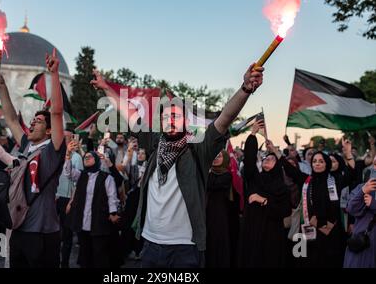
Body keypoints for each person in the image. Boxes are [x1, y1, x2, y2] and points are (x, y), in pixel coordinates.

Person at [91, 62, 264, 268]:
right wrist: (106, 88)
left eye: (176, 116)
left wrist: (245, 89)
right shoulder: (155, 144)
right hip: (150, 244)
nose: (170, 120)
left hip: (185, 248)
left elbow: (224, 118)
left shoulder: (199, 149)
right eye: (165, 117)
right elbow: (130, 114)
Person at [0, 48, 66, 268]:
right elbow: (13, 120)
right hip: (19, 230)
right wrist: (2, 87)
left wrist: (54, 75)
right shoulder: (25, 145)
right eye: (33, 120)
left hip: (43, 234)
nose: (32, 123)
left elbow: (57, 113)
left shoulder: (52, 150)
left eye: (39, 121)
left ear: (51, 131)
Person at [238, 120, 291, 268]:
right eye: (266, 158)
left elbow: (285, 211)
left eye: (272, 158)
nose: (268, 159)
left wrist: (264, 201)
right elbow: (249, 160)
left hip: (272, 236)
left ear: (278, 166)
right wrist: (253, 135)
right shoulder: (256, 179)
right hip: (253, 231)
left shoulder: (282, 187)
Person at [64, 148, 120, 268]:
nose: (86, 158)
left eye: (90, 157)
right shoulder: (80, 175)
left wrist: (113, 212)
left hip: (98, 220)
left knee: (99, 252)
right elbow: (68, 173)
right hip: (83, 220)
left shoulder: (106, 177)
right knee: (85, 251)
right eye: (85, 157)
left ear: (97, 160)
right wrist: (68, 157)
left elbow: (112, 197)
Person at [206, 149, 241, 268]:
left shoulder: (226, 175)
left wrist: (207, 172)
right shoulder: (209, 173)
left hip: (221, 217)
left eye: (219, 156)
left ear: (225, 159)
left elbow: (212, 184)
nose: (216, 157)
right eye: (214, 155)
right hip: (207, 216)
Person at [56, 131, 83, 268]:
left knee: (67, 235)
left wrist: (72, 201)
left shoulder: (77, 157)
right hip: (56, 198)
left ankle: (64, 263)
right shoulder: (56, 154)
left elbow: (78, 182)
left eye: (66, 137)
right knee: (54, 234)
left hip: (68, 199)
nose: (63, 139)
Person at [344, 169, 376, 268]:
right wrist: (363, 191)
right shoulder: (362, 187)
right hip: (363, 241)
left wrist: (374, 204)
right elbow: (351, 209)